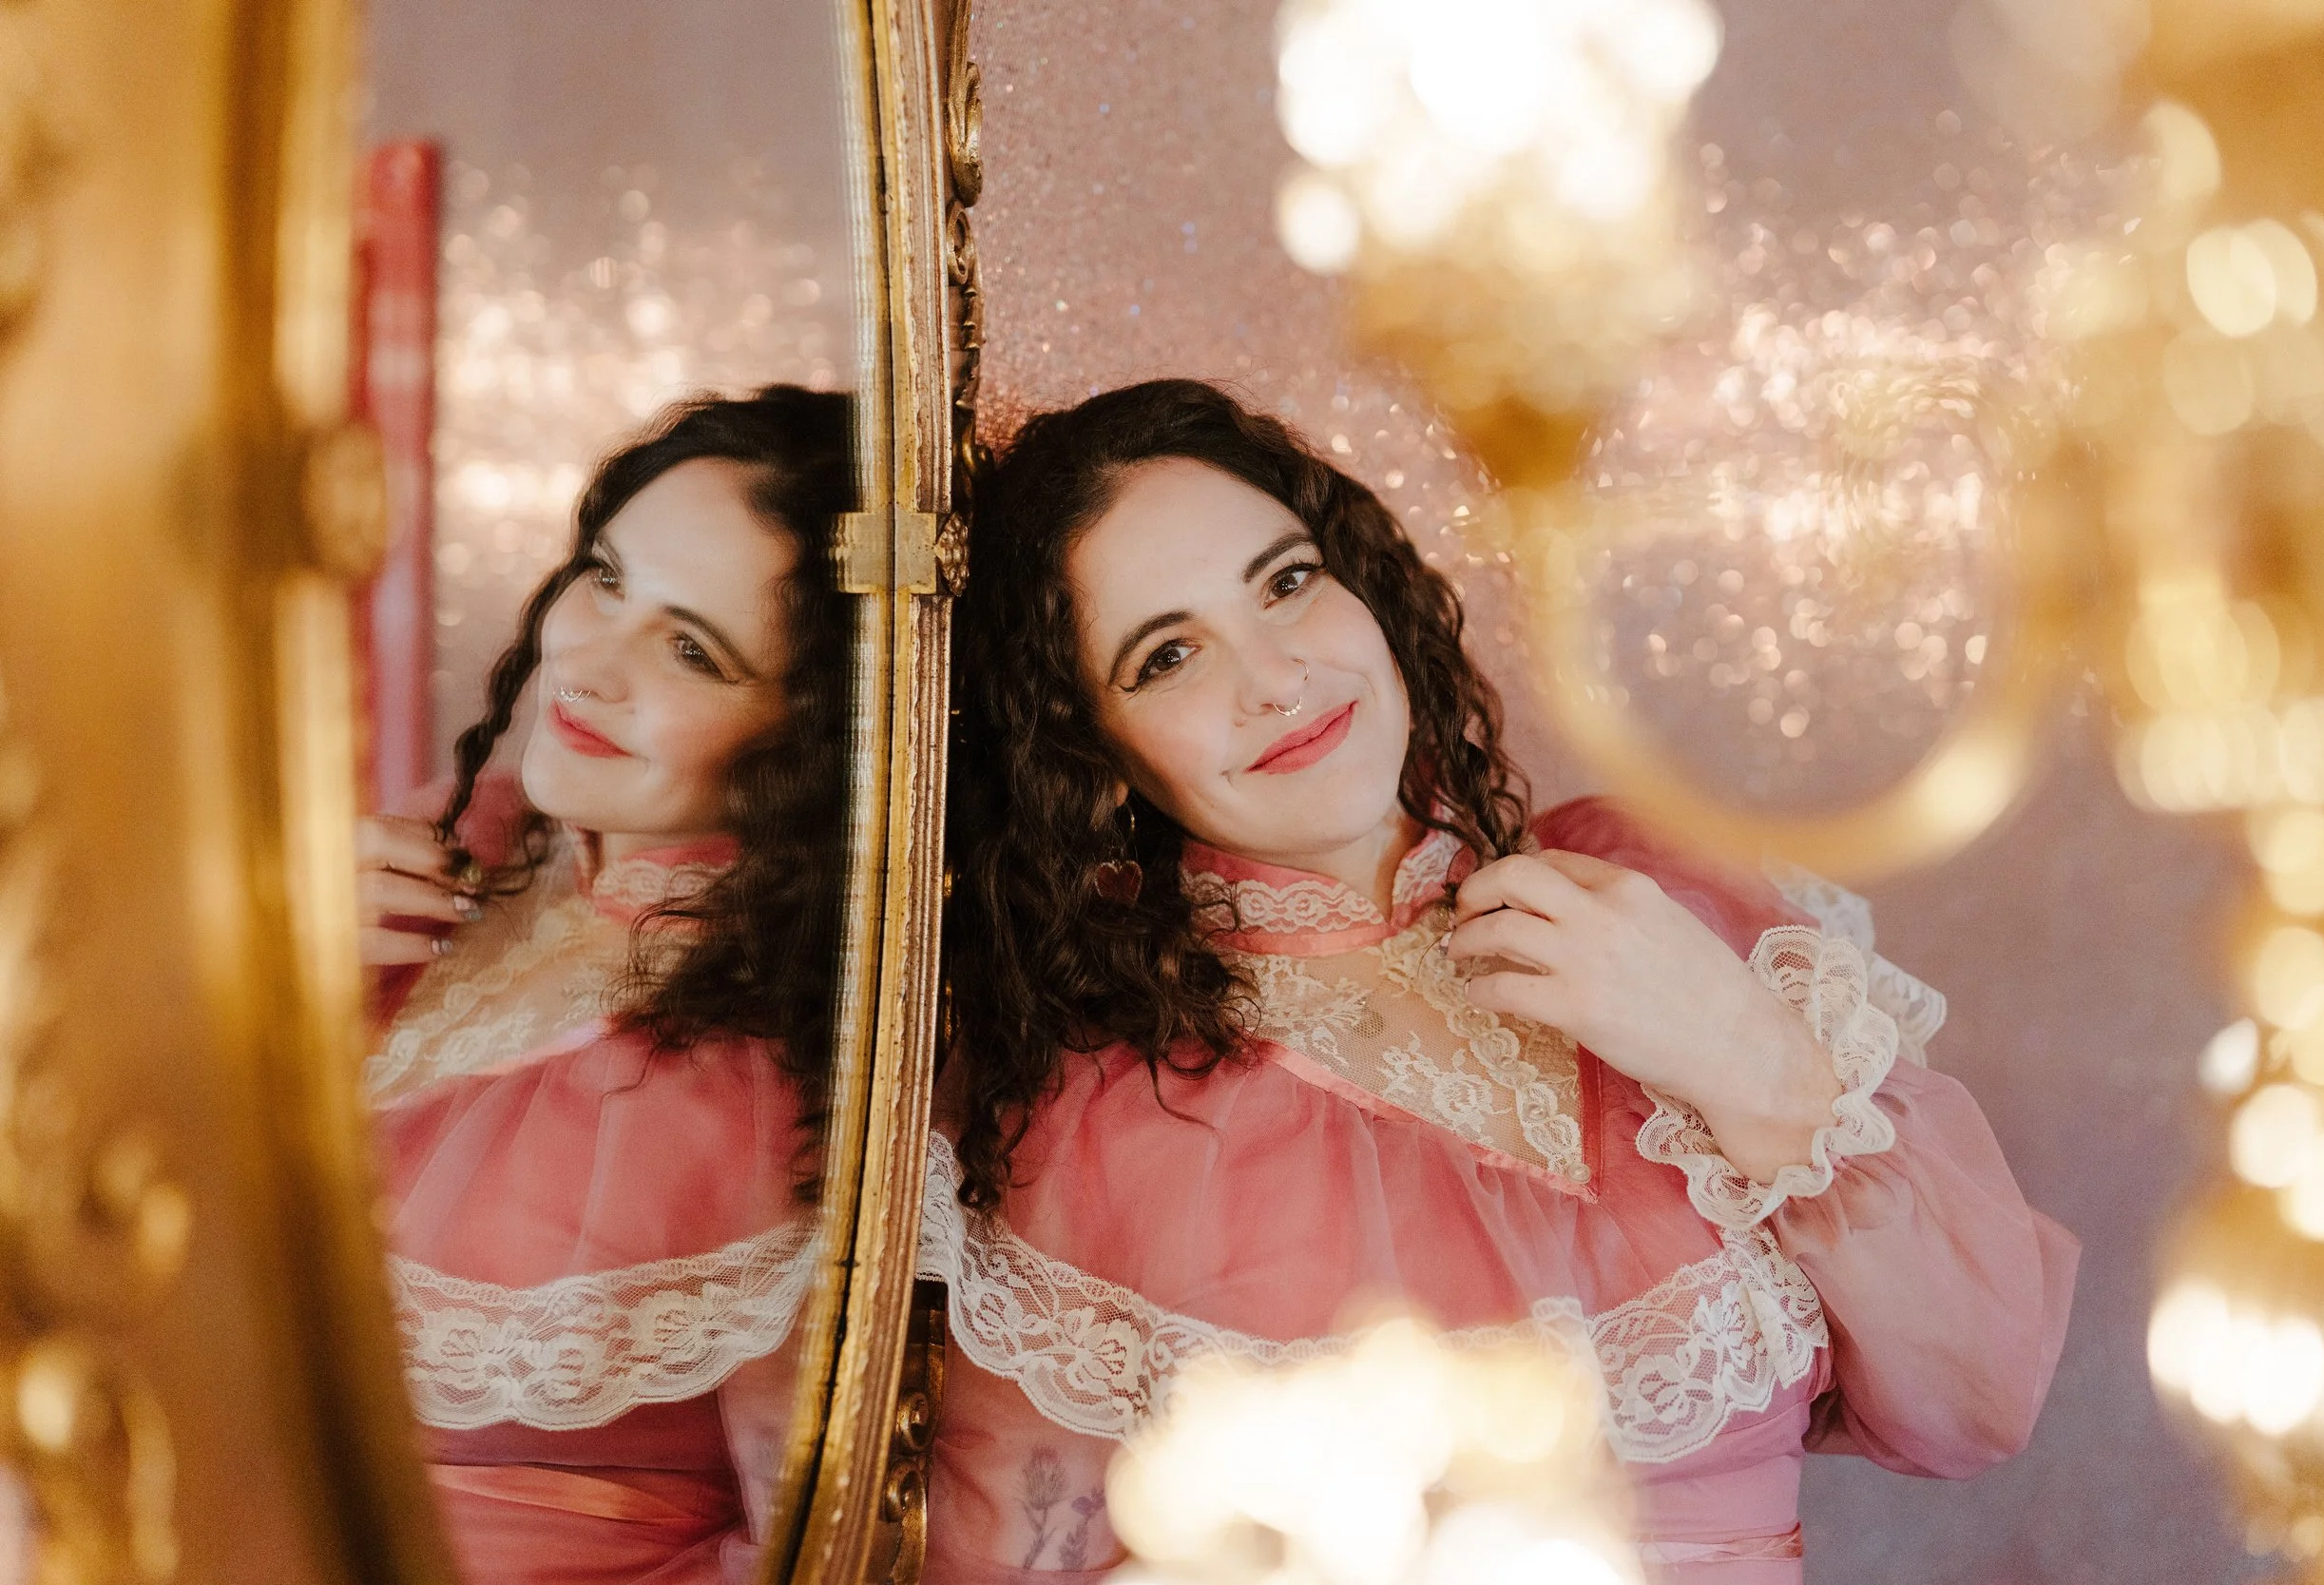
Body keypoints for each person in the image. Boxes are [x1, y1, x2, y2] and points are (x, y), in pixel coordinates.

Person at [921, 379, 2078, 1583]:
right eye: (1167, 655)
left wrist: (1741, 1050)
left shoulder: (1663, 894)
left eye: (1286, 580)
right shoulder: (1103, 1128)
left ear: (1364, 585)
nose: (1273, 676)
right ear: (1091, 755)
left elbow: (1978, 1399)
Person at [355, 387, 854, 1585]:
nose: (588, 660)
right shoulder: (468, 840)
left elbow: (804, 1541)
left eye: (693, 649)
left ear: (812, 739)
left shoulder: (783, 1067)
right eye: (607, 577)